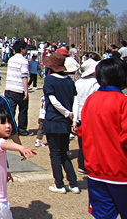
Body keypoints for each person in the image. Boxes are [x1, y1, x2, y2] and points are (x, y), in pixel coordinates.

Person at [78, 58, 127, 219]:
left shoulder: (91, 100)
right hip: (120, 172)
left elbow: (82, 131)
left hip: (95, 171)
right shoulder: (122, 102)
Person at [42, 51, 79, 193]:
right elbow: (76, 99)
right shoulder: (69, 81)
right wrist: (73, 116)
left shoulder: (50, 80)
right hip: (65, 122)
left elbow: (53, 100)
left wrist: (66, 113)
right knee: (64, 152)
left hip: (53, 120)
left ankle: (59, 184)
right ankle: (73, 183)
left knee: (55, 153)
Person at [72, 58, 99, 175]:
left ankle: (82, 164)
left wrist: (74, 118)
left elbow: (75, 101)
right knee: (93, 142)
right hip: (91, 115)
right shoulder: (96, 84)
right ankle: (90, 164)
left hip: (80, 115)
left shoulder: (78, 83)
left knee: (82, 141)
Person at [4, 40, 30, 136]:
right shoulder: (23, 61)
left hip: (9, 88)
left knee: (10, 110)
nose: (27, 50)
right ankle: (22, 129)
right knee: (23, 110)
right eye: (26, 48)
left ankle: (8, 128)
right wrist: (26, 90)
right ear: (22, 49)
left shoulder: (11, 59)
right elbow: (24, 76)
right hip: (19, 89)